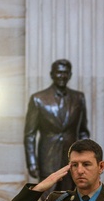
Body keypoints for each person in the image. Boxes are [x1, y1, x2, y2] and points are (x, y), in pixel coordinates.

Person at [23, 59, 89, 191]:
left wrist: (85, 158)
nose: (62, 76)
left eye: (65, 73)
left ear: (70, 75)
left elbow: (83, 131)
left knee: (70, 198)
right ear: (52, 74)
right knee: (47, 200)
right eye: (59, 72)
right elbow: (30, 135)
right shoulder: (38, 99)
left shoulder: (78, 98)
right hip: (47, 157)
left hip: (72, 159)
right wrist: (31, 162)